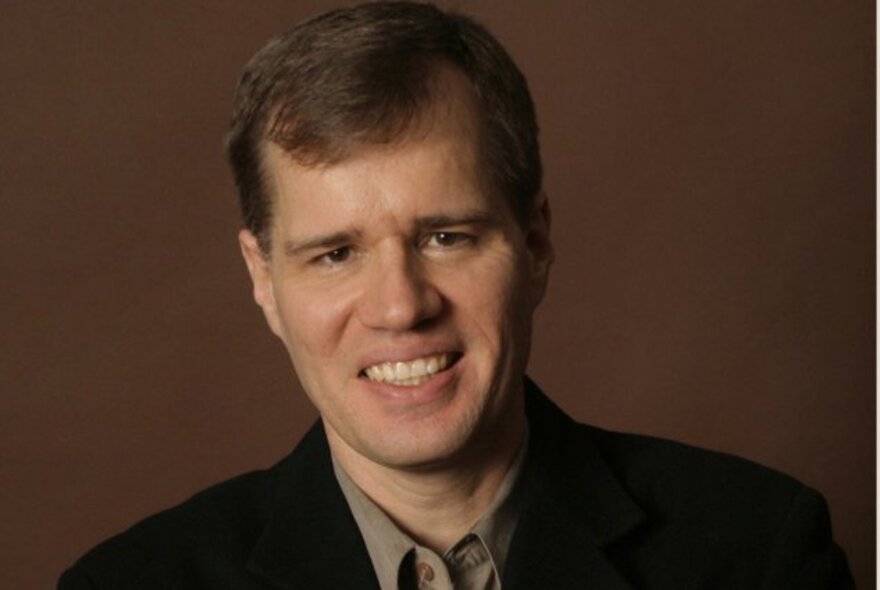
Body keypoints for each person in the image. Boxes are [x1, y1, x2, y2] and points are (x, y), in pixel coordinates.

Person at [58, 2, 854, 588]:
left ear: (535, 241)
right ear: (263, 278)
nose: (401, 307)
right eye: (335, 254)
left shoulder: (758, 552)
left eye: (447, 237)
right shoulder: (129, 583)